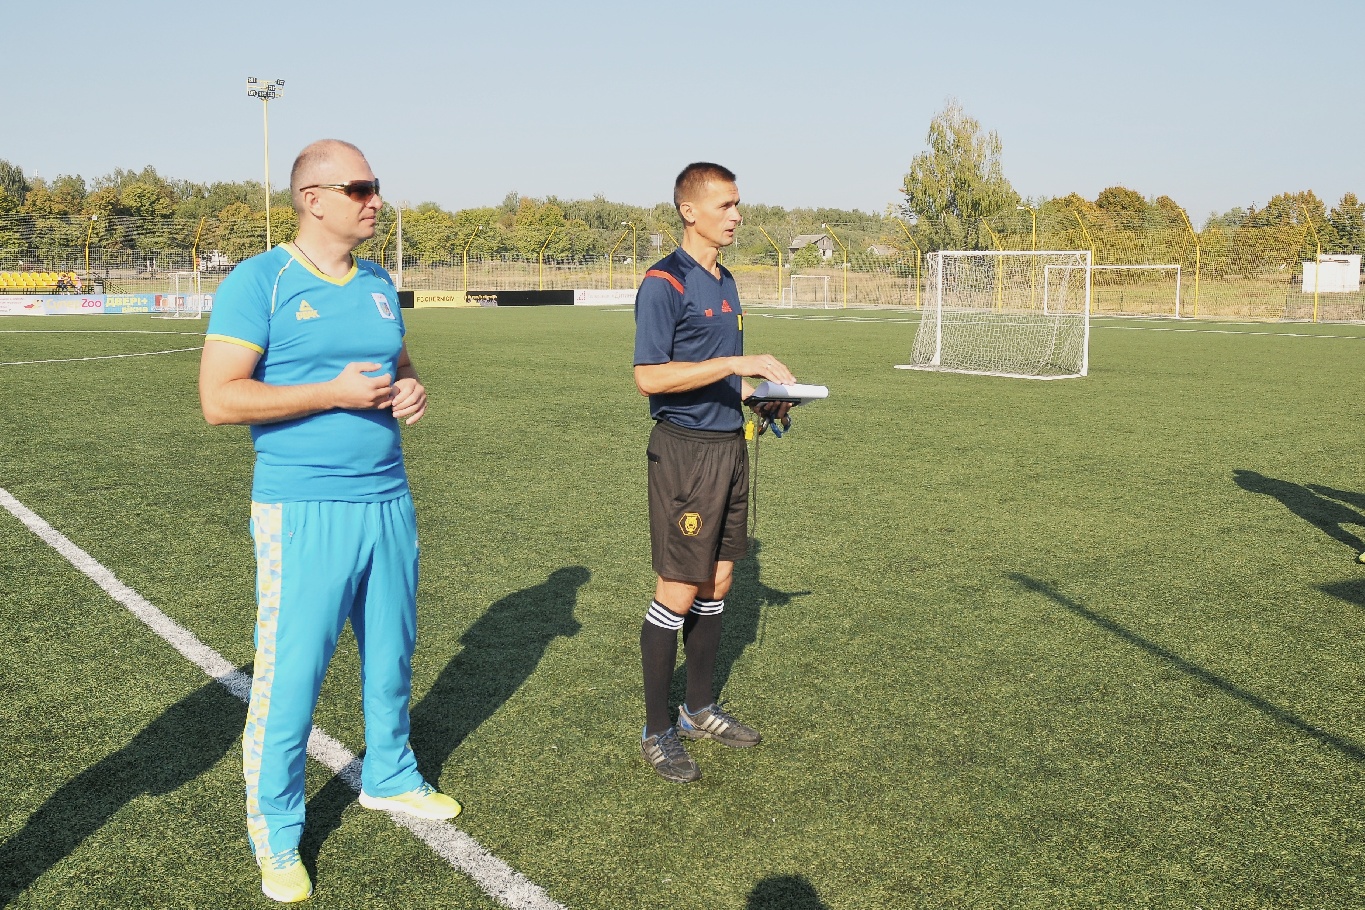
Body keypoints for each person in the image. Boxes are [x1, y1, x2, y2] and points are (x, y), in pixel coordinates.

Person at [199, 139, 459, 903]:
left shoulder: (376, 280)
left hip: (389, 500)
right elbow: (219, 399)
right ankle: (277, 833)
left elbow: (398, 364)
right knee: (291, 677)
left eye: (376, 187)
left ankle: (390, 774)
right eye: (359, 188)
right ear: (312, 199)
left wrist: (410, 389)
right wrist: (329, 394)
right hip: (303, 507)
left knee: (392, 655)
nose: (375, 199)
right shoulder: (261, 280)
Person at [631, 162, 798, 783]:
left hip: (731, 445)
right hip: (685, 452)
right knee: (678, 586)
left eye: (737, 204)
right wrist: (736, 362)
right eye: (725, 205)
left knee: (720, 579)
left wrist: (761, 395)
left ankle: (697, 707)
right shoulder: (663, 283)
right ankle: (657, 730)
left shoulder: (725, 280)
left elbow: (717, 372)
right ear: (689, 211)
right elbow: (649, 376)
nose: (737, 215)